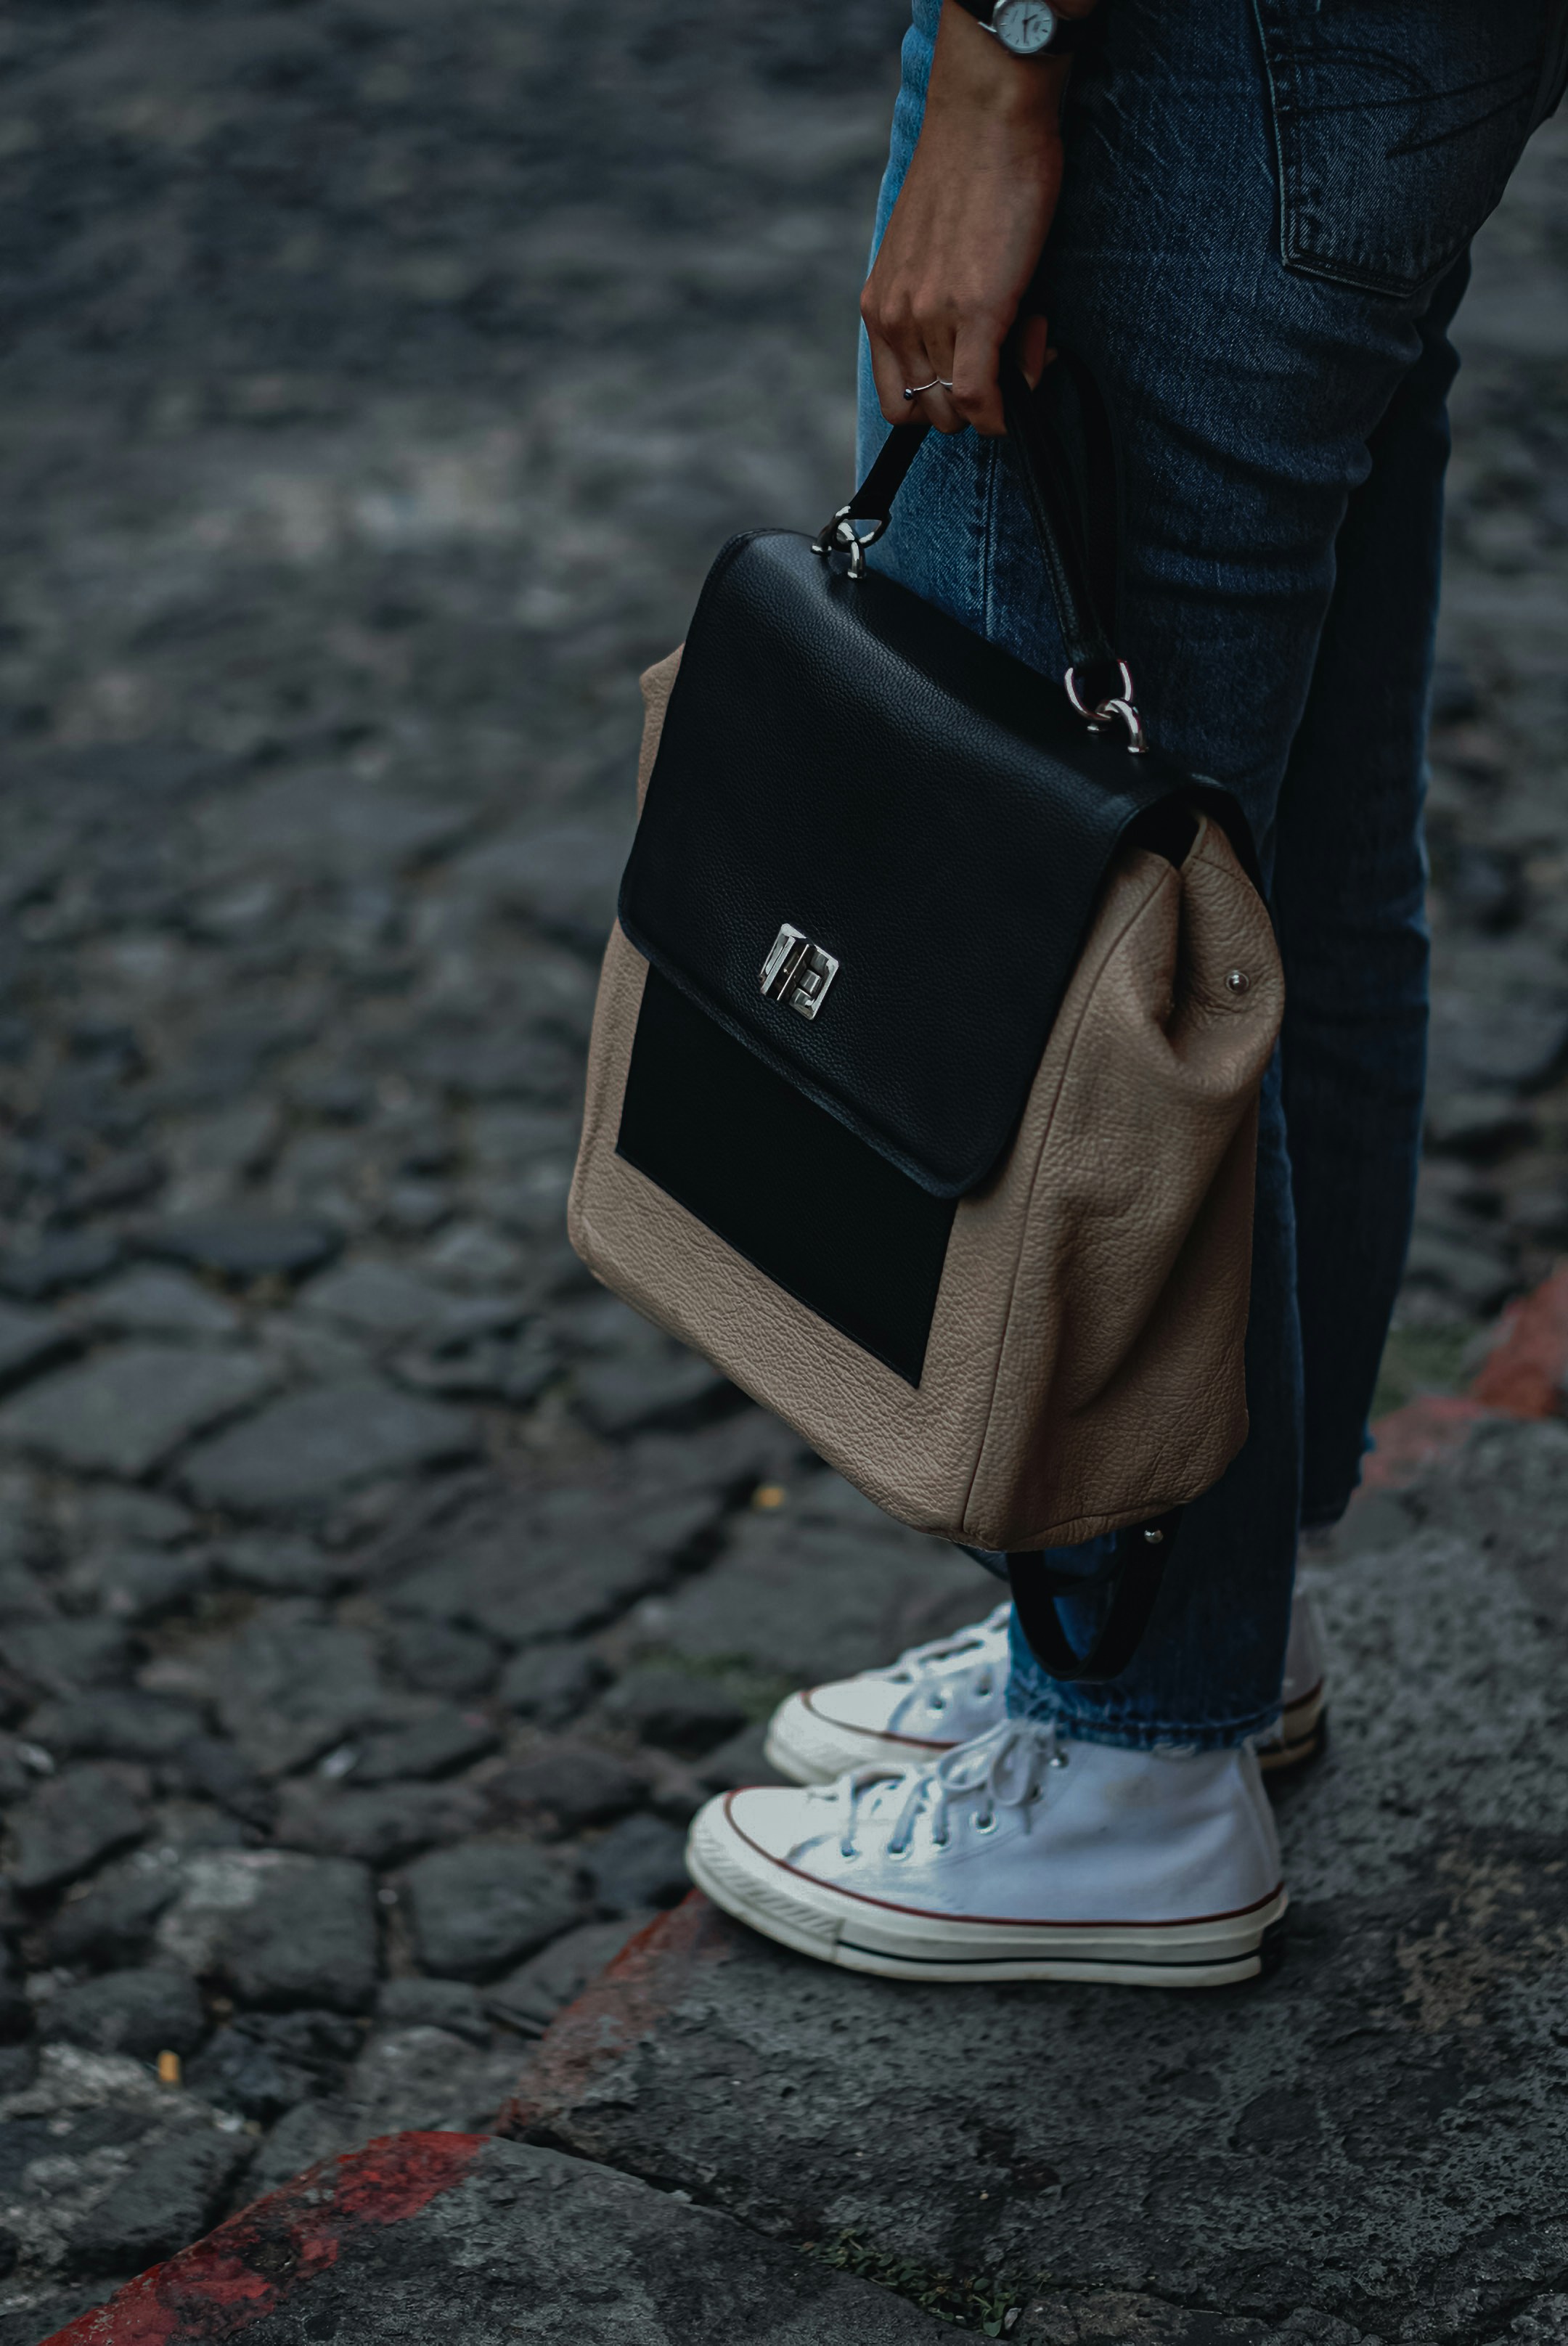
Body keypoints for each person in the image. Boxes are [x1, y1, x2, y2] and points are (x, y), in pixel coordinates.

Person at [684, 0, 1568, 1986]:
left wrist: (1000, 66)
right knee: (1281, 882)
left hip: (1179, 60)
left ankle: (1131, 1762)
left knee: (1100, 933)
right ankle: (1216, 1631)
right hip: (1388, 62)